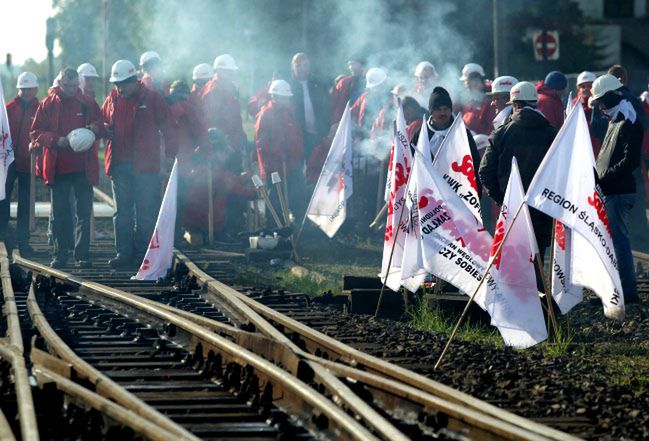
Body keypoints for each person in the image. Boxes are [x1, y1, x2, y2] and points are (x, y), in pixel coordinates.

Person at [30, 67, 103, 268]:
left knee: (83, 213)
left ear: (78, 84)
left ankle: (82, 255)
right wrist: (56, 140)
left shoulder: (87, 103)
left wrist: (95, 128)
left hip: (83, 168)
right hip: (58, 168)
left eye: (74, 86)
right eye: (67, 86)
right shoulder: (48, 104)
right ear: (60, 84)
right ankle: (60, 254)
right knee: (60, 214)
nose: (71, 90)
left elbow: (101, 124)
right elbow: (36, 132)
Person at [101, 60, 170, 268]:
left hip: (146, 167)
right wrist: (103, 129)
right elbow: (101, 122)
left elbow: (168, 126)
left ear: (134, 81)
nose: (120, 88)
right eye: (117, 84)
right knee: (122, 213)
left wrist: (171, 155)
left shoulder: (152, 98)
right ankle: (124, 254)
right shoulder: (112, 99)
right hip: (120, 165)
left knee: (146, 212)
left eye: (123, 83)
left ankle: (143, 255)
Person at [479, 81, 557, 258]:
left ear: (515, 104)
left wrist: (503, 200)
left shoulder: (501, 133)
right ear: (535, 103)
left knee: (514, 263)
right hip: (542, 208)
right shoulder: (552, 133)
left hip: (512, 209)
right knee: (537, 259)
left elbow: (485, 172)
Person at [591, 74, 643, 304]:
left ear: (613, 96)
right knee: (612, 242)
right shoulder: (616, 119)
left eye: (602, 100)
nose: (600, 105)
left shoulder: (629, 121)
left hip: (618, 191)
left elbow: (629, 161)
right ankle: (616, 290)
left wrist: (604, 178)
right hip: (611, 190)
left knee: (619, 243)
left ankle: (627, 292)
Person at [607, 64, 649, 253]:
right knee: (637, 217)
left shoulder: (609, 99)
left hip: (613, 168)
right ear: (625, 80)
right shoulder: (631, 99)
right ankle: (643, 258)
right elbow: (644, 124)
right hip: (633, 166)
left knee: (617, 221)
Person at [166, 80, 210, 242]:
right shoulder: (191, 110)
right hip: (182, 162)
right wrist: (203, 155)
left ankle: (161, 235)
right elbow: (202, 136)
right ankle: (175, 236)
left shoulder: (164, 108)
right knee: (178, 200)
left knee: (161, 201)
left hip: (163, 162)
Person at [1, 72, 39, 254]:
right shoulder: (7, 109)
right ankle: (4, 238)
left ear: (36, 89)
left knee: (25, 205)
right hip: (7, 163)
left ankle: (24, 242)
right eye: (24, 89)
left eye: (30, 89)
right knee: (3, 201)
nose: (27, 92)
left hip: (28, 163)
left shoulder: (40, 109)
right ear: (19, 89)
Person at [254, 79, 304, 216]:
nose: (287, 100)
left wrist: (298, 153)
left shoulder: (289, 113)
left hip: (291, 164)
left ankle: (296, 228)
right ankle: (274, 229)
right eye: (284, 97)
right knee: (275, 200)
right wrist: (279, 152)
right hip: (275, 167)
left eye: (287, 97)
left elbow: (297, 135)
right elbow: (261, 144)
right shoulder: (265, 114)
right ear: (274, 97)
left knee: (296, 197)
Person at [200, 54, 247, 168]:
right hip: (222, 150)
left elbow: (235, 118)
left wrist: (242, 140)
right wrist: (221, 145)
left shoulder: (229, 88)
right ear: (219, 70)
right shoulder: (213, 90)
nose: (232, 75)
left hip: (233, 145)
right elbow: (210, 123)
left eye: (232, 72)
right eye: (229, 72)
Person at [289, 53, 330, 158]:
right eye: (298, 66)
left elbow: (327, 106)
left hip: (319, 133)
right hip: (298, 135)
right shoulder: (288, 86)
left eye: (305, 65)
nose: (302, 69)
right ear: (292, 67)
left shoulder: (319, 83)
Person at [573, 71, 607, 157]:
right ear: (578, 87)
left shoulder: (603, 102)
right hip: (582, 150)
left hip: (600, 149)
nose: (586, 89)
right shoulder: (574, 104)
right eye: (583, 86)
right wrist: (589, 109)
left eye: (589, 86)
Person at [459, 63, 495, 135]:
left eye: (468, 82)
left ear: (478, 81)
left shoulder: (491, 102)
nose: (466, 86)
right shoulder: (470, 102)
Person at [331, 54, 367, 123]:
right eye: (349, 65)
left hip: (365, 120)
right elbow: (335, 104)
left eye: (353, 64)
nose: (351, 67)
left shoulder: (370, 81)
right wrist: (336, 122)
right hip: (347, 120)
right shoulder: (345, 83)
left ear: (361, 65)